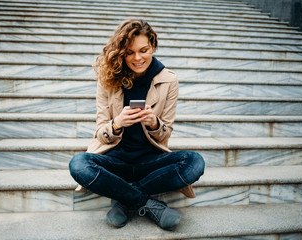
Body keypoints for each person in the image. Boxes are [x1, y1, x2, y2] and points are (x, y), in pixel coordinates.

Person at [69, 19, 205, 231]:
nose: (138, 58)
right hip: (115, 160)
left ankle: (123, 198)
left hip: (151, 162)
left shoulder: (168, 80)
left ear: (153, 46)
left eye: (144, 50)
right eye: (130, 52)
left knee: (195, 162)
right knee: (78, 164)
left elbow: (165, 133)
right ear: (122, 52)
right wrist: (117, 124)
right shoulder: (108, 78)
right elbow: (100, 133)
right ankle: (149, 204)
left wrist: (153, 123)